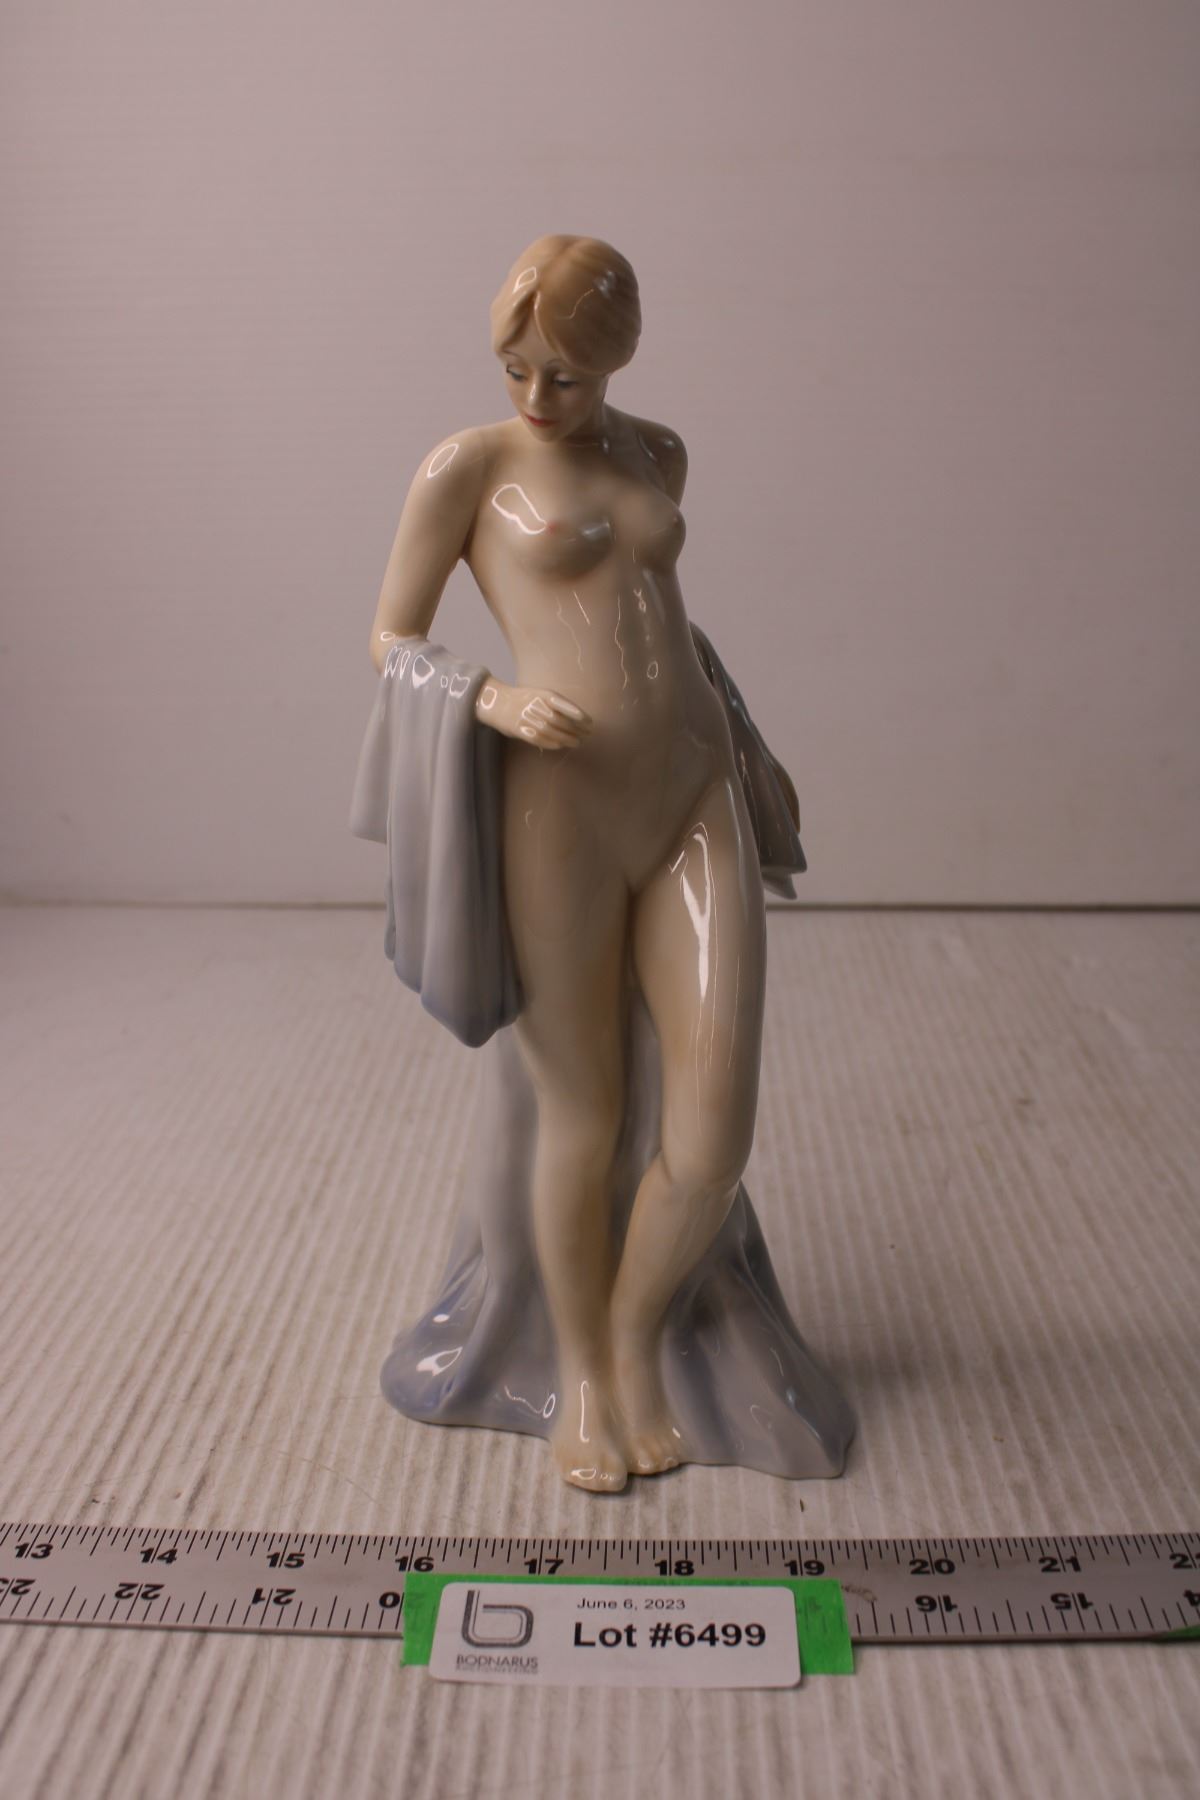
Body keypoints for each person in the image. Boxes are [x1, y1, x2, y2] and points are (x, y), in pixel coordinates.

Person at [363, 234, 853, 1492]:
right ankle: (584, 1373)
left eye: (566, 375)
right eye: (516, 366)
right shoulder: (469, 469)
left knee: (713, 1125)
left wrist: (747, 747)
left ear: (616, 361)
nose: (537, 395)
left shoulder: (657, 452)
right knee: (580, 1113)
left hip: (691, 790)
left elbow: (665, 624)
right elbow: (391, 636)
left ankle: (641, 1332)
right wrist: (488, 699)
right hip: (558, 807)